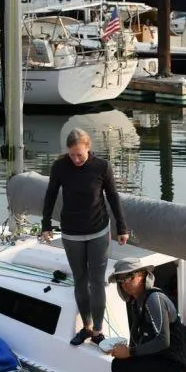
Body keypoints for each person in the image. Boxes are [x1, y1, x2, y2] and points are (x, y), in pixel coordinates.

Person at [42, 128, 130, 345]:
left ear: (88, 148)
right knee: (80, 280)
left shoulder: (102, 167)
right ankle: (87, 328)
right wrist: (46, 225)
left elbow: (113, 196)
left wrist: (122, 226)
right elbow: (51, 194)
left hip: (98, 230)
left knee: (97, 281)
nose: (76, 159)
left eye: (79, 154)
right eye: (71, 155)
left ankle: (99, 331)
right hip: (71, 233)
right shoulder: (60, 166)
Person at [106, 258, 186, 372]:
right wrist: (122, 350)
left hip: (179, 363)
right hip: (169, 357)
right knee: (121, 362)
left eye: (129, 277)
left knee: (119, 368)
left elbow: (163, 341)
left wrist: (130, 352)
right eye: (120, 280)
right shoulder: (137, 301)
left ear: (142, 275)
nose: (125, 283)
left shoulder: (154, 299)